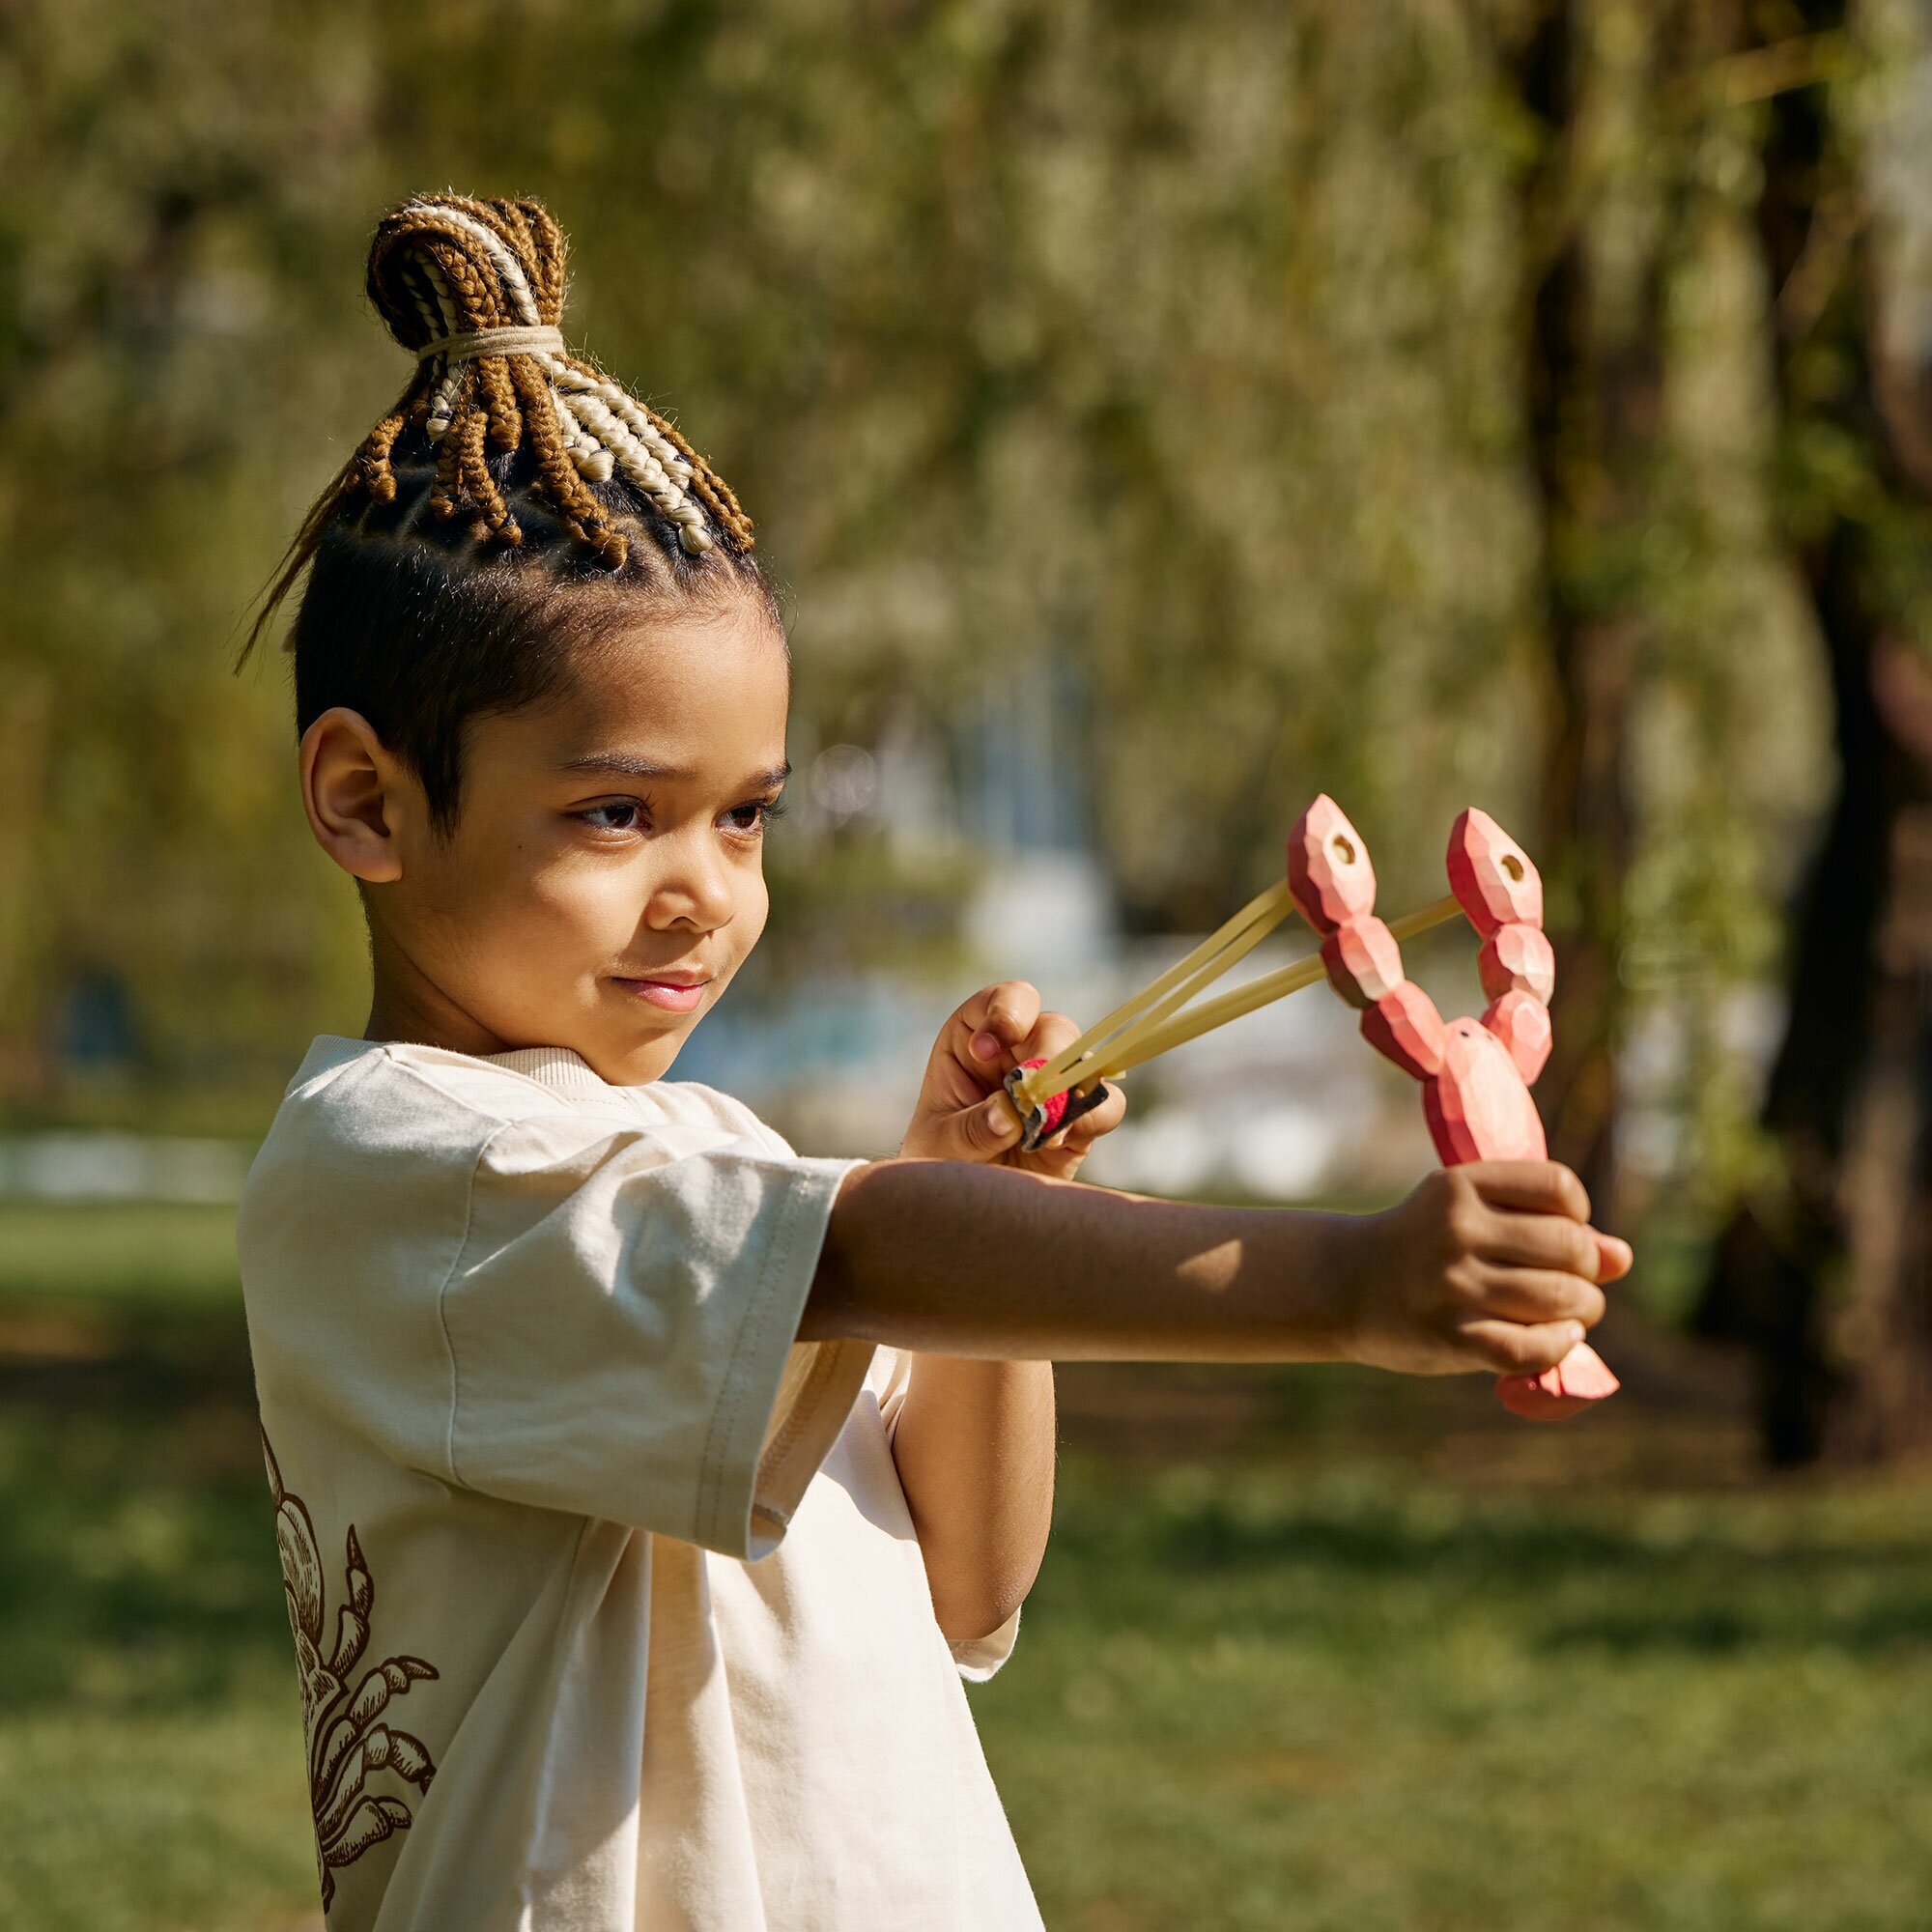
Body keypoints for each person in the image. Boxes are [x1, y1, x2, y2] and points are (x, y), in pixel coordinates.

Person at [235, 194, 1630, 1932]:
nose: (705, 894)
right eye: (615, 814)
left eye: (747, 818)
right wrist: (1341, 1281)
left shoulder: (697, 1155)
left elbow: (965, 1571)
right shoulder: (394, 1171)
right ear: (367, 799)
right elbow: (856, 1249)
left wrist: (987, 1200)